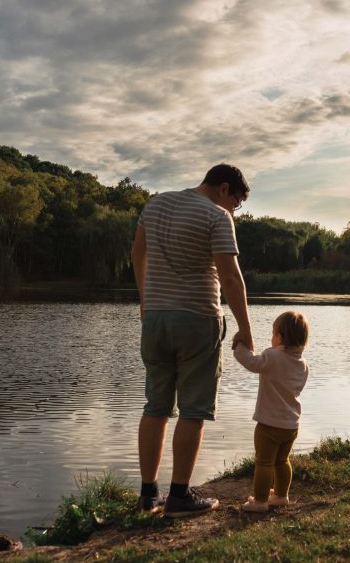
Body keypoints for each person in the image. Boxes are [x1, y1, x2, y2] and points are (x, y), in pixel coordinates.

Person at [130, 163, 253, 518]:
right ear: (224, 189)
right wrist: (245, 329)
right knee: (194, 410)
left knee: (156, 406)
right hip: (197, 319)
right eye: (237, 203)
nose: (235, 211)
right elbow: (230, 277)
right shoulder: (216, 215)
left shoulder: (154, 205)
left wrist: (146, 300)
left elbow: (138, 254)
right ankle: (180, 496)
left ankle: (148, 494)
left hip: (155, 318)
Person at [231, 310, 310, 513]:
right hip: (291, 425)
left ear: (281, 337)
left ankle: (259, 501)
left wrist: (239, 347)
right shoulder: (303, 365)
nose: (271, 337)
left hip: (269, 424)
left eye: (273, 333)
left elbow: (251, 362)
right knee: (282, 461)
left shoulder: (272, 356)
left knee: (264, 463)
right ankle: (281, 496)